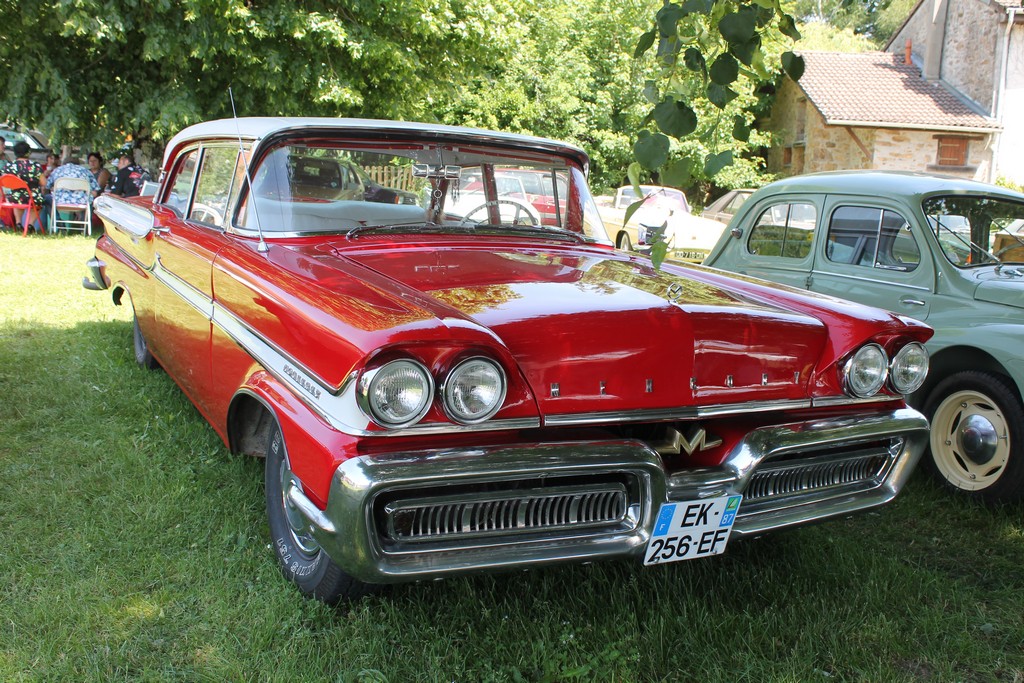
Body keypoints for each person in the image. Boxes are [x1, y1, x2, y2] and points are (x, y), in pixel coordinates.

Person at [1, 141, 44, 230]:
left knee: (18, 199)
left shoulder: (9, 166)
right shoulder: (35, 166)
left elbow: (4, 182)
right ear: (28, 152)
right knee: (37, 204)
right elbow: (43, 183)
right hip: (32, 197)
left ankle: (18, 223)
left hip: (14, 197)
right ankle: (30, 225)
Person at [45, 158, 99, 229]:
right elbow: (95, 189)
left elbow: (48, 185)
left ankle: (58, 221)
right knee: (89, 198)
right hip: (81, 202)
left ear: (64, 163)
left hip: (60, 201)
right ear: (78, 164)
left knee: (47, 198)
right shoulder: (85, 171)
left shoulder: (57, 170)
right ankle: (84, 223)